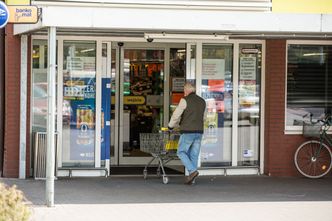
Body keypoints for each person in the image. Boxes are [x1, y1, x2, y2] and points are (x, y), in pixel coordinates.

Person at [168, 82, 206, 185]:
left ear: (187, 90)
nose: (184, 92)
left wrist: (170, 126)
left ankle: (192, 171)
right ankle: (192, 179)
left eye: (184, 90)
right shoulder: (202, 101)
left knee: (181, 152)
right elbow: (204, 118)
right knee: (193, 155)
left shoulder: (184, 100)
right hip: (199, 132)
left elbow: (176, 115)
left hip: (188, 131)